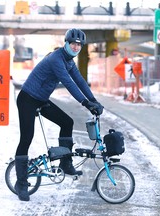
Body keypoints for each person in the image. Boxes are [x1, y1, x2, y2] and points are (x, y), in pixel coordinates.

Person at [14, 28, 104, 201]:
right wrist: (85, 103)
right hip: (27, 99)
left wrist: (94, 100)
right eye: (73, 44)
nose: (76, 47)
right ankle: (21, 184)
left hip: (40, 99)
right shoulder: (57, 58)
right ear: (66, 43)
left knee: (67, 122)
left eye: (79, 45)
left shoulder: (69, 61)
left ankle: (65, 162)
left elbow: (79, 81)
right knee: (27, 138)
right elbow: (69, 83)